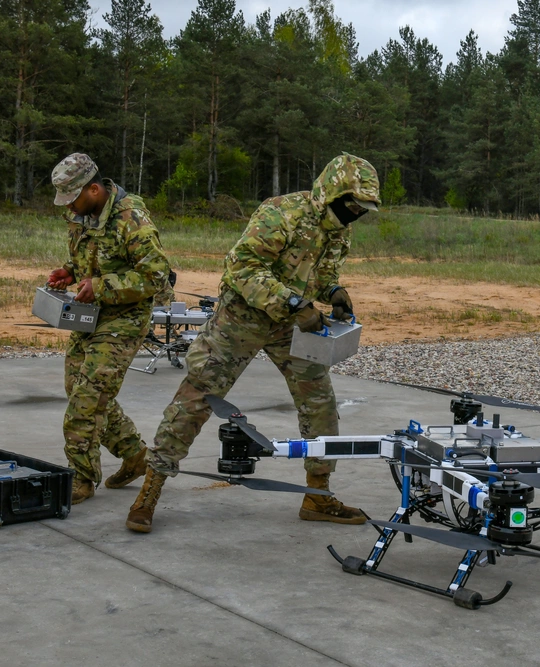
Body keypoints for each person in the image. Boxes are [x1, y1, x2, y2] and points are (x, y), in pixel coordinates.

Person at [126, 153, 380, 533]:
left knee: (320, 401)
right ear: (332, 193)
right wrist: (294, 303)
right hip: (240, 320)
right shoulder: (281, 213)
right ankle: (150, 490)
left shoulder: (337, 231)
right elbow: (242, 267)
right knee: (196, 397)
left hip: (289, 325)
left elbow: (322, 272)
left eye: (363, 209)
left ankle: (318, 495)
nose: (356, 214)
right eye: (353, 205)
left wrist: (334, 291)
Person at [47, 153, 171, 504]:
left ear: (95, 189)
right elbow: (87, 258)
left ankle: (82, 479)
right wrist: (69, 272)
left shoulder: (132, 219)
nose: (69, 206)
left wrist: (100, 286)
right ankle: (134, 454)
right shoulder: (82, 214)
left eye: (74, 197)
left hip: (125, 318)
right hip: (91, 312)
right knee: (77, 387)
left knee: (87, 402)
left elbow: (155, 275)